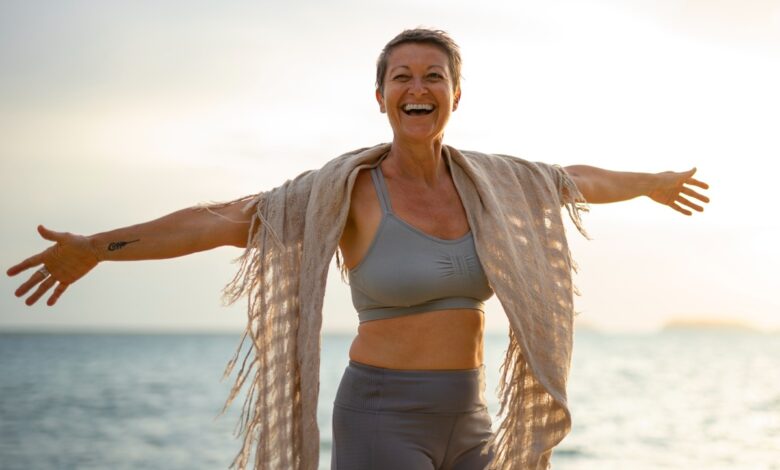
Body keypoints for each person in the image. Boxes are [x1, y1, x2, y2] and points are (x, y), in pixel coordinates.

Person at [7, 29, 709, 470]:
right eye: (401, 75)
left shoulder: (495, 185)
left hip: (469, 416)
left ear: (456, 96)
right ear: (380, 97)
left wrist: (652, 182)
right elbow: (219, 219)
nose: (417, 86)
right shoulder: (343, 193)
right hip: (381, 414)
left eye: (433, 75)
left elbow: (573, 181)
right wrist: (98, 247)